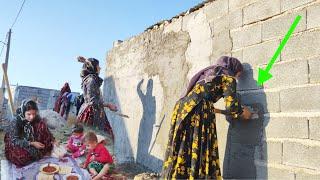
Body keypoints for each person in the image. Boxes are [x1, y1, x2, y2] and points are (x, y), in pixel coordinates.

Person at [161, 56, 252, 180]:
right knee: (197, 149)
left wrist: (219, 111)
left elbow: (203, 97)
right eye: (238, 75)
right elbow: (232, 107)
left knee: (183, 146)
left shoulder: (209, 74)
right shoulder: (228, 77)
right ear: (233, 69)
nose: (236, 78)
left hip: (183, 108)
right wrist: (244, 112)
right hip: (198, 111)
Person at [4, 100, 55, 167]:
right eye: (29, 114)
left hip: (31, 138)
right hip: (17, 141)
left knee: (42, 124)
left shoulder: (35, 117)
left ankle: (45, 148)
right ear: (23, 112)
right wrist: (32, 143)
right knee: (22, 157)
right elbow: (15, 140)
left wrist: (53, 140)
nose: (32, 117)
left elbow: (46, 131)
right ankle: (39, 151)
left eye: (34, 114)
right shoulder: (16, 121)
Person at [77, 56, 118, 140]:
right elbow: (92, 101)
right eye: (98, 66)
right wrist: (108, 105)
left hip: (94, 112)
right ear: (93, 67)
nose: (100, 68)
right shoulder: (91, 80)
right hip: (92, 115)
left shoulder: (89, 79)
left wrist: (85, 60)